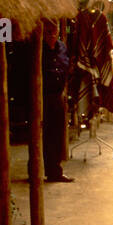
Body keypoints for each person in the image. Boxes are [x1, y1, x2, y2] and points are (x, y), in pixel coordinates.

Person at [42, 19, 74, 183]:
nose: (53, 35)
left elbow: (66, 66)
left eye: (55, 31)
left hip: (58, 94)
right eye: (49, 32)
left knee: (57, 135)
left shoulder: (61, 46)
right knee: (43, 136)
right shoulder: (38, 49)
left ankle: (55, 171)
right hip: (42, 96)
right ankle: (37, 169)